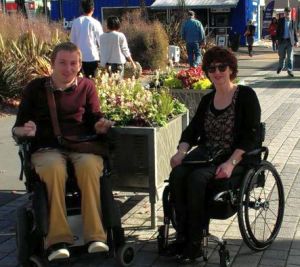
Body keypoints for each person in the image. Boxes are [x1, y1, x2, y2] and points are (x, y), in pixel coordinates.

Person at [12, 42, 114, 261]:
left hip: (81, 145)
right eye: (62, 63)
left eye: (73, 63)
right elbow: (17, 127)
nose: (68, 68)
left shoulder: (87, 86)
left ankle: (96, 236)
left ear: (79, 65)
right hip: (47, 146)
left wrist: (99, 125)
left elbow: (94, 116)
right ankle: (57, 239)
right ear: (52, 64)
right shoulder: (36, 88)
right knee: (53, 168)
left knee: (90, 167)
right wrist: (25, 131)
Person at [168, 46, 261, 263]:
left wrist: (230, 163)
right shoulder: (207, 100)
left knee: (197, 179)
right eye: (212, 68)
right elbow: (192, 130)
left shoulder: (245, 96)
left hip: (234, 155)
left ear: (231, 69)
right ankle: (182, 236)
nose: (217, 72)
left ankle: (195, 242)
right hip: (207, 153)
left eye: (222, 67)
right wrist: (181, 152)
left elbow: (250, 135)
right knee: (177, 174)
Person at [70, 0, 103, 78]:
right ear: (93, 9)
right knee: (92, 82)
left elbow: (72, 42)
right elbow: (101, 41)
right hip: (93, 57)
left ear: (82, 9)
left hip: (78, 57)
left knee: (79, 82)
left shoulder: (76, 22)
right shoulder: (96, 23)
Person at [276, 6, 298, 77]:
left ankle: (290, 70)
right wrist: (277, 39)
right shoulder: (280, 20)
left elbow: (294, 32)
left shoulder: (292, 21)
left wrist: (296, 41)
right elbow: (278, 30)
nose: (287, 13)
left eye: (289, 12)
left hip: (289, 42)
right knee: (281, 56)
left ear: (290, 13)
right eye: (286, 12)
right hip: (282, 41)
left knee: (290, 57)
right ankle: (281, 66)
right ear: (284, 13)